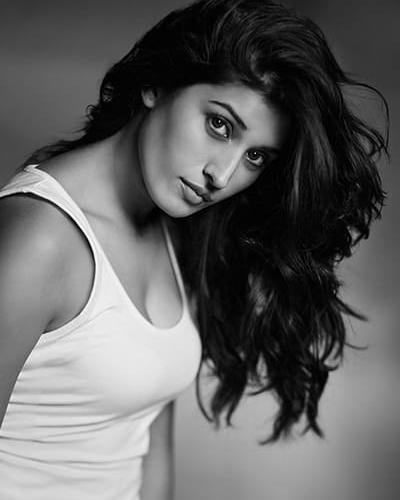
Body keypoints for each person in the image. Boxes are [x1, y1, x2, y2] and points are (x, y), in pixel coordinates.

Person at [0, 0, 388, 498]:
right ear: (155, 85)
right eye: (219, 125)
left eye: (255, 156)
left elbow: (147, 445)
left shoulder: (171, 227)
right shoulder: (39, 238)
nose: (221, 175)